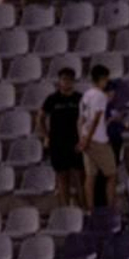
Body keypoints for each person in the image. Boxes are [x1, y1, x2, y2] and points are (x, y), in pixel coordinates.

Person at [37, 67, 83, 208]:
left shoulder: (79, 98)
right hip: (58, 143)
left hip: (76, 142)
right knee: (62, 178)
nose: (66, 82)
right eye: (64, 79)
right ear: (59, 81)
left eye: (69, 79)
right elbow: (40, 118)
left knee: (80, 177)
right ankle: (65, 210)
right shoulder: (52, 99)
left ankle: (84, 210)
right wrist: (46, 136)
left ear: (73, 81)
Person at [79, 64, 118, 212]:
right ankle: (111, 208)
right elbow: (95, 120)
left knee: (90, 176)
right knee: (112, 175)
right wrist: (88, 139)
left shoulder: (86, 95)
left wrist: (82, 139)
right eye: (106, 79)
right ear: (102, 79)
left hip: (86, 139)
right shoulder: (100, 96)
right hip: (98, 141)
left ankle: (90, 210)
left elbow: (81, 120)